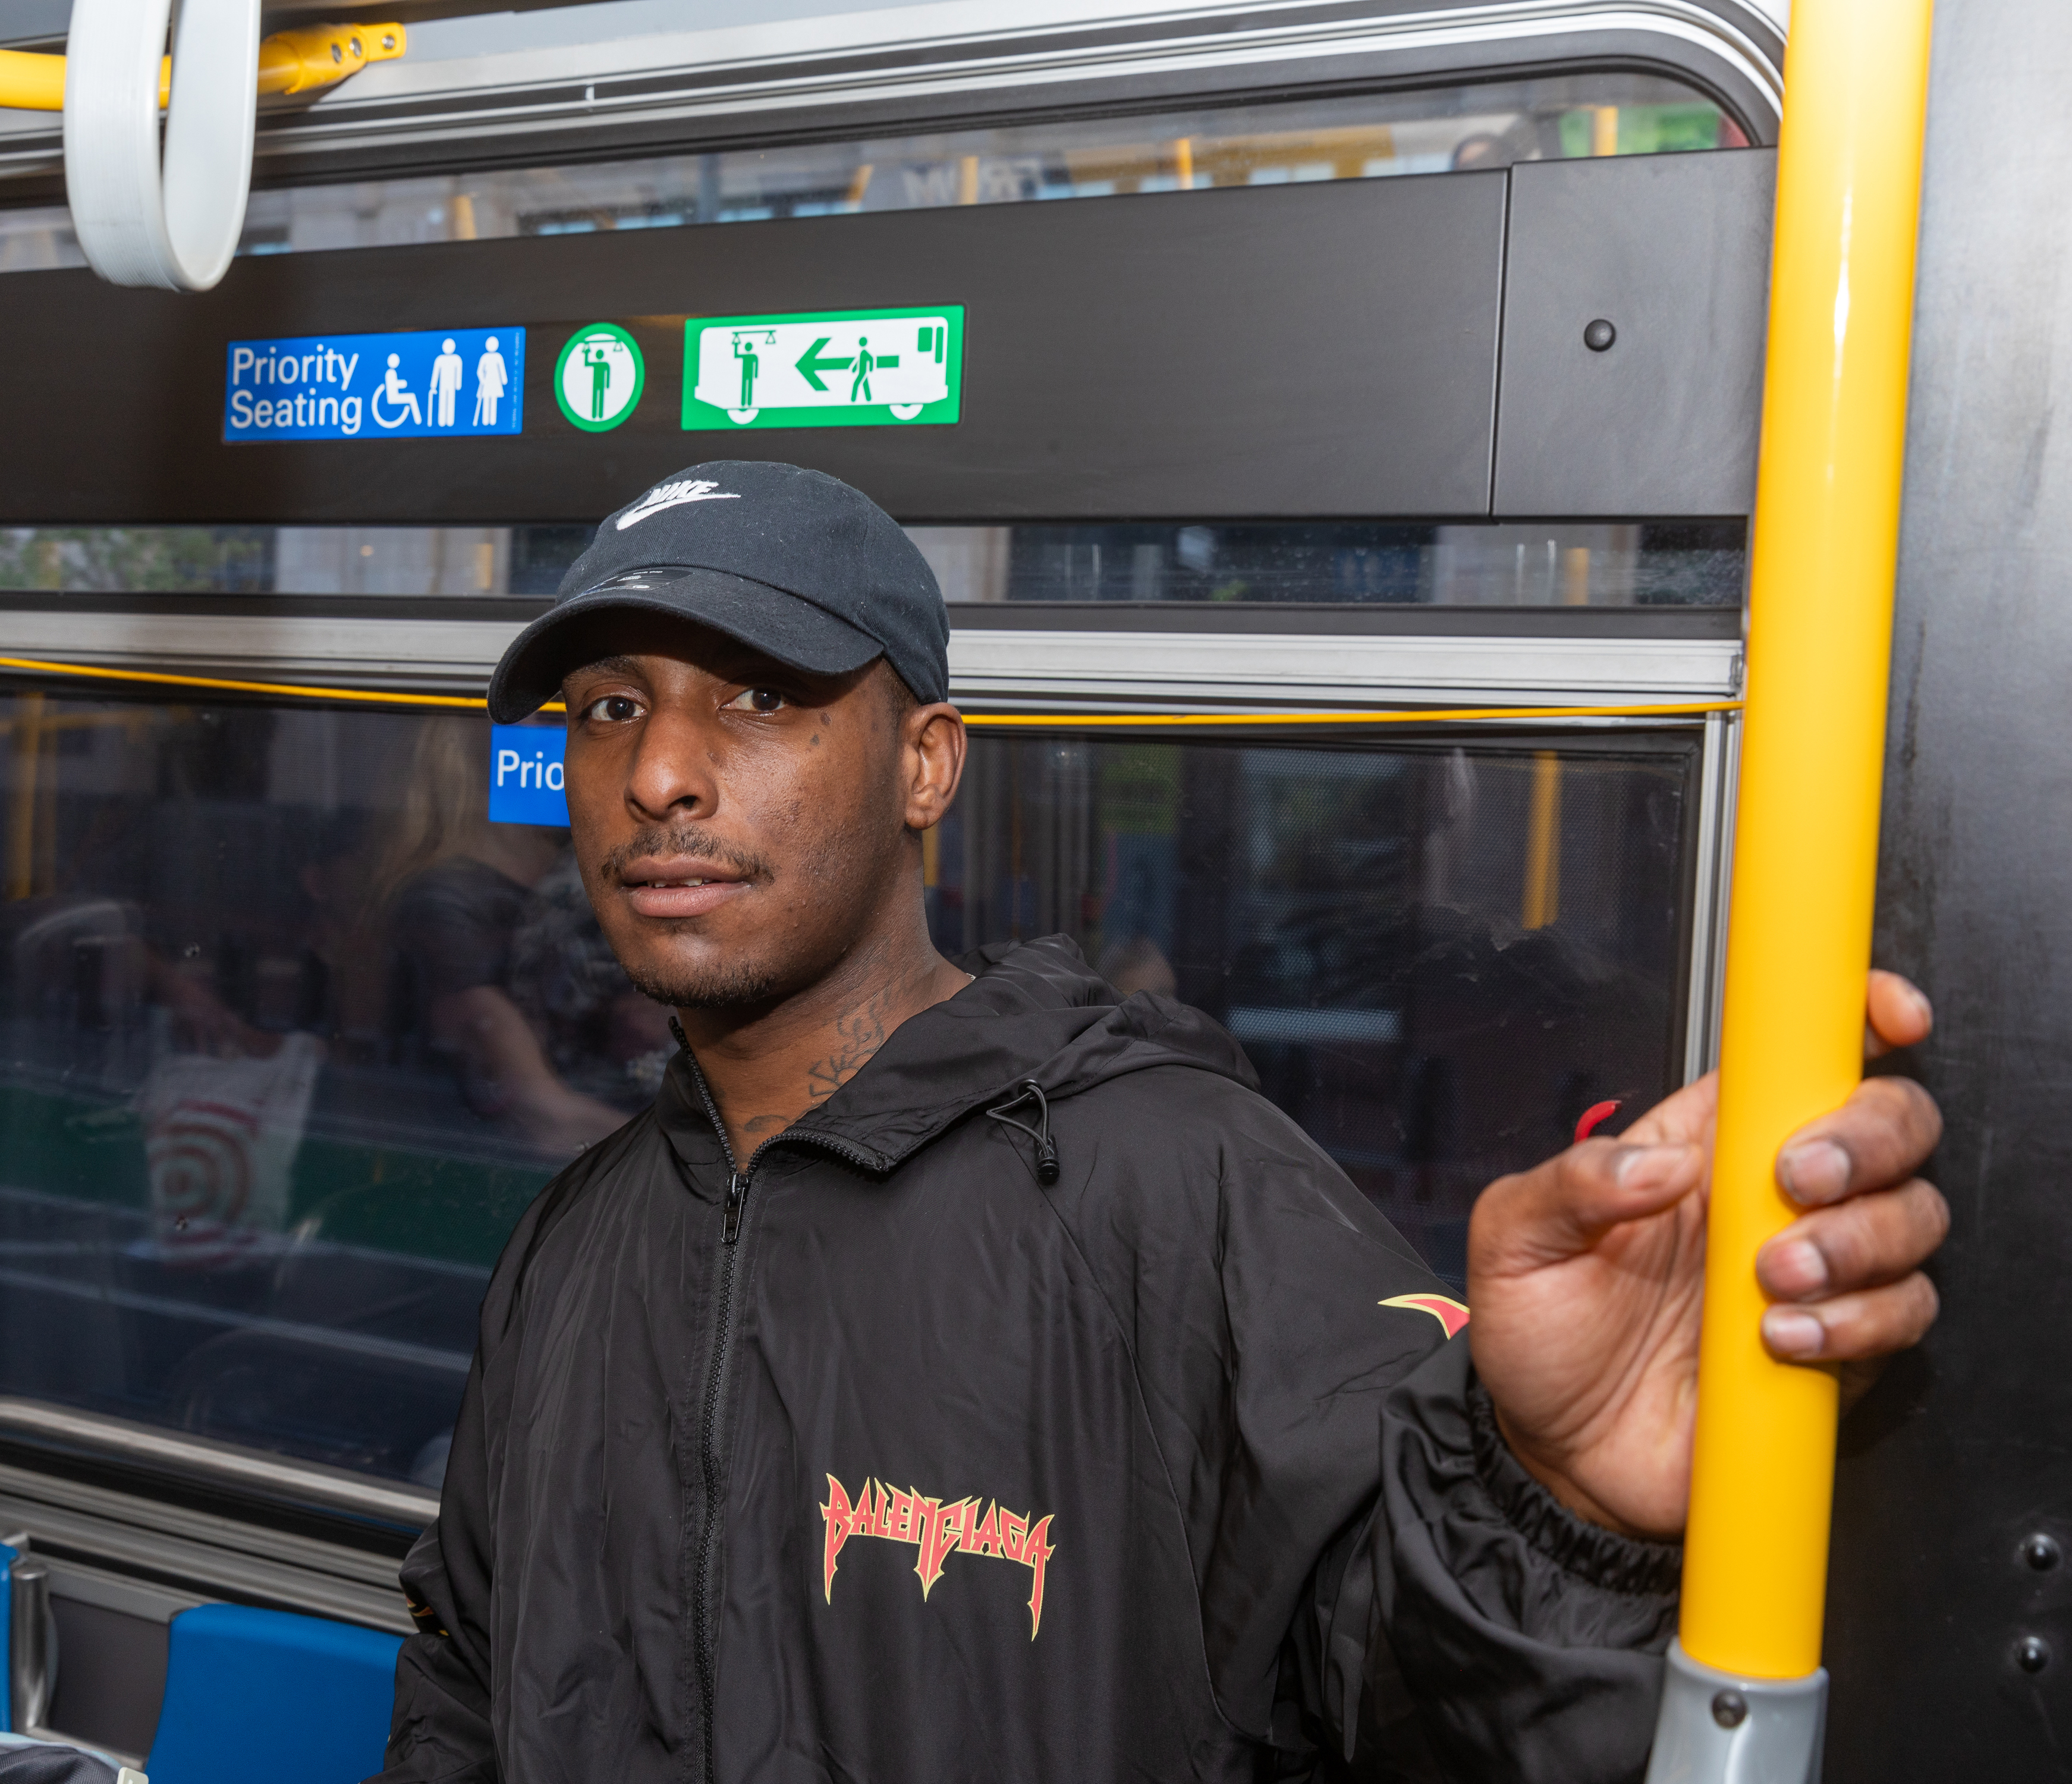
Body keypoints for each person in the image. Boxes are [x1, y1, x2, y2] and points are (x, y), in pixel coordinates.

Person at [371, 463, 1947, 1783]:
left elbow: (1396, 1694)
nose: (657, 774)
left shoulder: (1178, 1183)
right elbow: (469, 1685)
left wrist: (1556, 1502)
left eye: (761, 698)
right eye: (607, 709)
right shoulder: (573, 1248)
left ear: (927, 764)